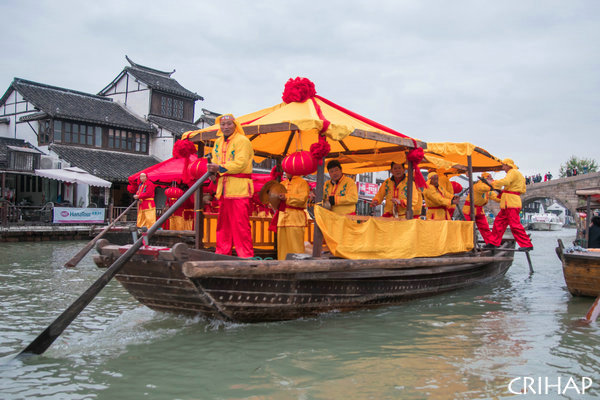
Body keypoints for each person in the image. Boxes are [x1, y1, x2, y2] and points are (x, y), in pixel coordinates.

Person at [206, 114, 255, 258]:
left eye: (228, 124)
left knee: (241, 225)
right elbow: (215, 160)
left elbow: (241, 164)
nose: (225, 127)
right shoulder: (218, 142)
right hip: (224, 189)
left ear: (235, 125)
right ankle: (221, 253)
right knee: (223, 225)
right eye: (223, 124)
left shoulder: (243, 140)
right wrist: (214, 171)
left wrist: (219, 168)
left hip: (239, 189)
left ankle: (245, 256)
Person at [485, 158, 534, 251]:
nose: (503, 167)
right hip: (509, 202)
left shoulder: (512, 172)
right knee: (499, 223)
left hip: (511, 203)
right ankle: (493, 242)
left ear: (508, 165)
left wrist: (493, 183)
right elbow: (522, 189)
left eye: (503, 165)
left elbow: (506, 181)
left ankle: (527, 244)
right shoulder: (518, 175)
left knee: (514, 224)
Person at [275, 173, 310, 260]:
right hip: (282, 219)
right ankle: (282, 267)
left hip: (295, 219)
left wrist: (286, 197)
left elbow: (302, 199)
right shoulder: (282, 184)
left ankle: (298, 269)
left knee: (296, 248)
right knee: (282, 248)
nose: (287, 172)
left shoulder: (303, 183)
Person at [462, 172, 500, 243]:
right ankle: (466, 243)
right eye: (490, 179)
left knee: (485, 228)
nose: (492, 180)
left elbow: (494, 196)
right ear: (486, 179)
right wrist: (492, 185)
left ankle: (490, 242)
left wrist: (502, 199)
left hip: (479, 209)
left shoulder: (487, 189)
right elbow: (482, 188)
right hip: (469, 209)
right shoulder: (478, 185)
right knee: (467, 227)